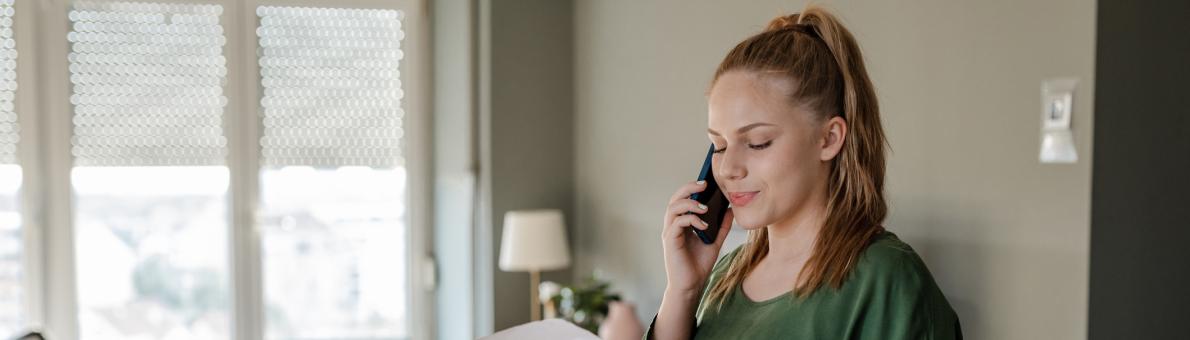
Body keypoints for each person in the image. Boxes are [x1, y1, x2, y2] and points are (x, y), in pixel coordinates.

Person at [648, 4, 962, 340]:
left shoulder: (887, 281)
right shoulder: (725, 276)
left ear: (828, 139)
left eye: (757, 142)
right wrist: (682, 291)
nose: (727, 168)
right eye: (720, 145)